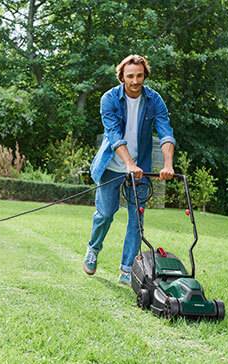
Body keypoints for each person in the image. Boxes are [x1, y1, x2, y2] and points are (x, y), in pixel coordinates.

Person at [83, 54, 176, 285]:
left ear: (145, 76)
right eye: (130, 76)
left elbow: (166, 133)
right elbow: (114, 135)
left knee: (137, 220)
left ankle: (127, 269)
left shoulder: (154, 100)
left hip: (140, 169)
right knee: (105, 213)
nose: (135, 81)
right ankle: (93, 249)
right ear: (122, 77)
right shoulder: (110, 99)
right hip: (113, 166)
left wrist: (167, 165)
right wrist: (128, 164)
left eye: (140, 76)